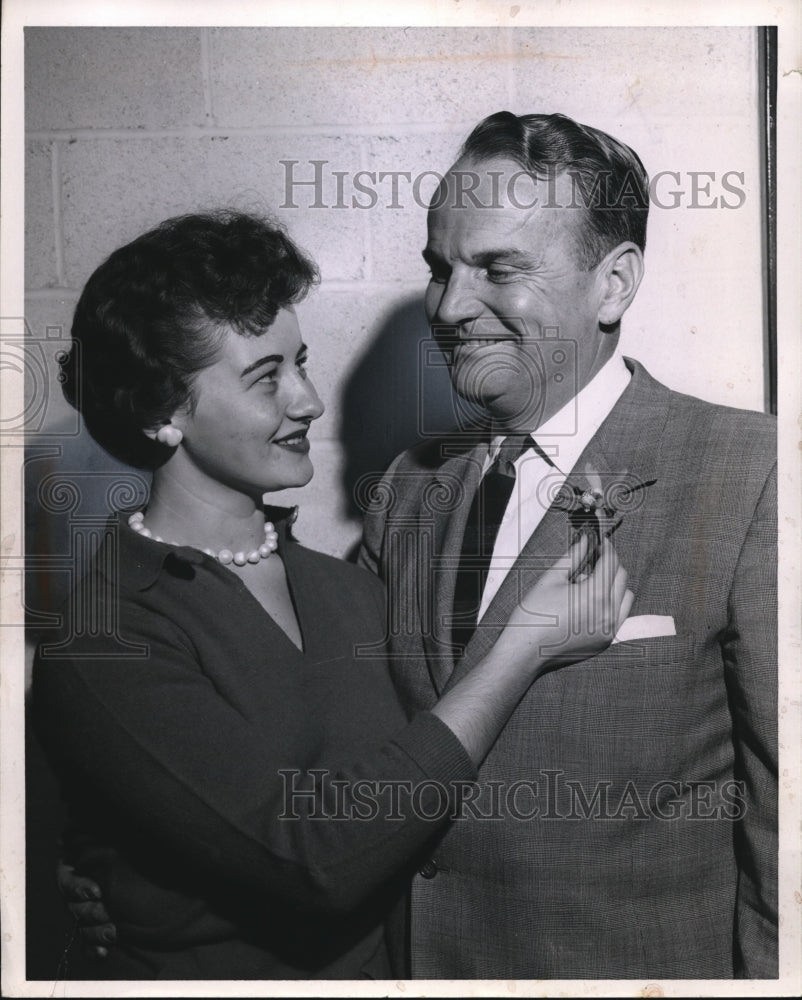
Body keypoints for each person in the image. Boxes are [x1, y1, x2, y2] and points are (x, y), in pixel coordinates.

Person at [33, 209, 632, 980]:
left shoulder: (353, 588)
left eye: (301, 362)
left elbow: (423, 801)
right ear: (160, 412)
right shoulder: (102, 639)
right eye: (264, 378)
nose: (308, 401)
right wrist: (521, 648)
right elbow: (314, 861)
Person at [358, 112, 777, 979]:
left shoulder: (755, 473)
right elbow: (346, 744)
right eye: (441, 269)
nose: (448, 306)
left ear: (613, 284)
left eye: (497, 269)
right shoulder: (407, 486)